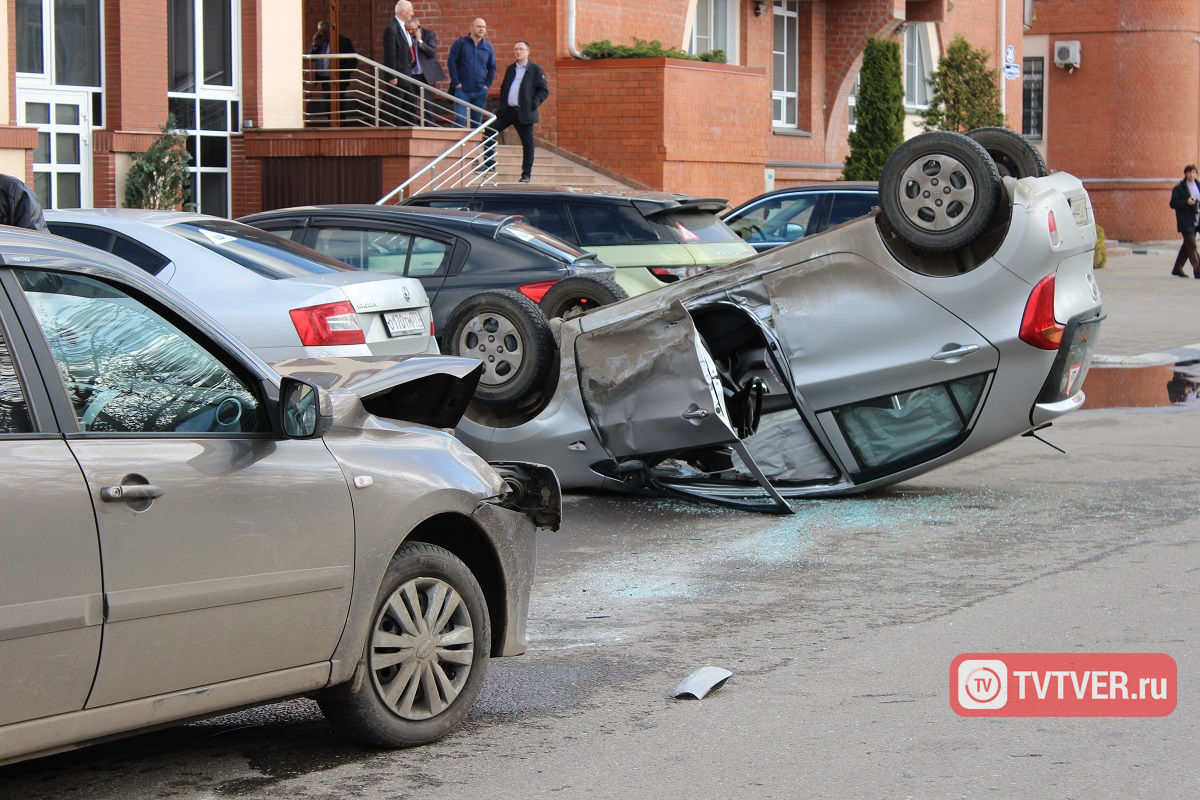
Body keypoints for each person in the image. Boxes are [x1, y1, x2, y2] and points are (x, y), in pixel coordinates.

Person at [484, 41, 550, 182]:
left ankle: (526, 174)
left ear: (528, 52)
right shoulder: (511, 69)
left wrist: (532, 104)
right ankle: (489, 164)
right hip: (508, 111)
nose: (518, 52)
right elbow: (504, 87)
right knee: (489, 130)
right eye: (515, 49)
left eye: (521, 49)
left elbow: (543, 90)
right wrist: (502, 105)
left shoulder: (535, 69)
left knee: (528, 144)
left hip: (524, 112)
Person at [446, 18, 496, 129]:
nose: (482, 29)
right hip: (462, 90)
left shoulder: (488, 47)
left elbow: (492, 67)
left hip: (480, 90)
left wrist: (487, 84)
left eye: (484, 27)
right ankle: (455, 140)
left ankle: (474, 141)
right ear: (471, 28)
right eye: (479, 26)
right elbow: (451, 63)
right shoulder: (460, 43)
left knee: (476, 123)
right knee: (460, 119)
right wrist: (456, 82)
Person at [308, 20, 357, 125]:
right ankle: (331, 125)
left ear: (331, 30)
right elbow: (312, 58)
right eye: (320, 32)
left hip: (337, 79)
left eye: (325, 32)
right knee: (328, 105)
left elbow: (353, 62)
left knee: (338, 105)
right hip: (325, 79)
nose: (323, 35)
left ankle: (340, 126)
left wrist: (340, 75)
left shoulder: (343, 41)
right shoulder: (320, 41)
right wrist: (315, 44)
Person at [382, 1, 418, 126]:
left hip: (407, 74)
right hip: (398, 76)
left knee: (411, 108)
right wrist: (392, 75)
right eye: (410, 10)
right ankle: (396, 132)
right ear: (403, 12)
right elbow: (390, 54)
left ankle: (412, 131)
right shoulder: (392, 28)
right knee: (396, 108)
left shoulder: (404, 27)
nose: (412, 13)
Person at [407, 18, 445, 125]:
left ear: (418, 27)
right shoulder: (406, 36)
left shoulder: (429, 34)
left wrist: (420, 41)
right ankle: (412, 127)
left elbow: (432, 52)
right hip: (411, 75)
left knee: (427, 104)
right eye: (409, 29)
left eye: (413, 29)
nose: (411, 32)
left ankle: (430, 127)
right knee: (410, 103)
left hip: (426, 75)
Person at [1169, 164, 1200, 278]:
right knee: (1192, 245)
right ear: (1185, 174)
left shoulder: (1198, 185)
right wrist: (1186, 202)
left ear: (1196, 174)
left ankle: (1177, 269)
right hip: (1186, 221)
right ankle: (1198, 271)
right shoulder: (1179, 188)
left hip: (1198, 220)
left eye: (1193, 172)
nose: (1191, 174)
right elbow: (1173, 203)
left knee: (1187, 246)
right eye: (1189, 172)